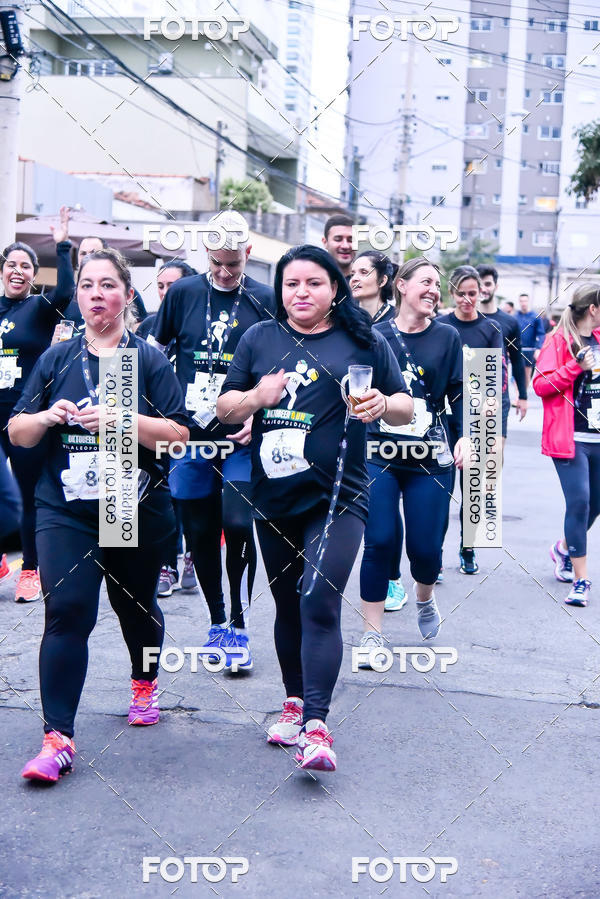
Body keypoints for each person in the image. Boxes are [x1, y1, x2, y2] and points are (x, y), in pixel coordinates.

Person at [217, 244, 412, 771]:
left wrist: (381, 405)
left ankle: (318, 727)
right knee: (286, 604)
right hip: (275, 495)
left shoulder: (363, 339)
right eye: (291, 284)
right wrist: (257, 396)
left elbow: (404, 405)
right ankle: (294, 700)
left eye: (314, 284)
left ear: (335, 289)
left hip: (338, 497)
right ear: (279, 290)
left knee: (318, 602)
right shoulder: (259, 339)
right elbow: (223, 407)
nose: (301, 293)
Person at [10, 248, 189, 783]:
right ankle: (57, 737)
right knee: (67, 609)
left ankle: (143, 680)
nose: (95, 295)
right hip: (63, 504)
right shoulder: (56, 357)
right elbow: (18, 431)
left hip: (127, 500)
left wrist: (121, 418)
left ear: (127, 296)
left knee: (132, 605)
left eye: (107, 286)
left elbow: (178, 437)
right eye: (86, 285)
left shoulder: (148, 359)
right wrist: (43, 416)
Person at [149, 210, 276, 671]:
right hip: (191, 435)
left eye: (233, 265)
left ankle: (240, 624)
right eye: (217, 263)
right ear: (206, 252)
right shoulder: (182, 293)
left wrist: (258, 411)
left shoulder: (266, 298)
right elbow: (157, 356)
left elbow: (281, 365)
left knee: (239, 524)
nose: (224, 272)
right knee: (200, 531)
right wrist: (163, 413)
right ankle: (218, 620)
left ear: (248, 254)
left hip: (243, 434)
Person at [358, 257, 464, 665]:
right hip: (378, 452)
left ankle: (424, 597)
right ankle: (372, 634)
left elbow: (460, 394)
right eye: (426, 282)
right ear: (401, 286)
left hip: (429, 457)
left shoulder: (448, 337)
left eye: (438, 285)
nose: (434, 290)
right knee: (380, 539)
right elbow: (356, 386)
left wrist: (468, 438)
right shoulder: (374, 334)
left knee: (425, 550)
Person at [0, 209, 75, 602]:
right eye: (11, 264)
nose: (18, 271)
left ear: (33, 274)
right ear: (2, 271)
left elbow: (65, 293)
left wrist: (62, 245)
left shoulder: (41, 308)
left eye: (25, 266)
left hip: (26, 413)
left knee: (29, 493)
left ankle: (29, 569)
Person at [533, 283, 600, 607]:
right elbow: (541, 384)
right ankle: (581, 580)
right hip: (571, 439)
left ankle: (563, 549)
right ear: (593, 309)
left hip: (599, 437)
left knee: (594, 505)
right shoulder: (558, 341)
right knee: (580, 502)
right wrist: (576, 367)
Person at [138, 260, 199, 596]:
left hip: (196, 427)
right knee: (165, 494)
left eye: (171, 286)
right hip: (155, 427)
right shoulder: (150, 326)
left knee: (187, 498)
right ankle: (166, 564)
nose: (165, 293)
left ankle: (192, 553)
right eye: (160, 286)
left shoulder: (201, 326)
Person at [350, 251, 405, 610]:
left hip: (400, 427)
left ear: (383, 280)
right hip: (359, 426)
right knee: (375, 509)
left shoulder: (395, 324)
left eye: (364, 272)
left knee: (390, 509)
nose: (355, 277)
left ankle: (395, 577)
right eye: (351, 272)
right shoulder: (348, 321)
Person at [439, 266, 503, 575]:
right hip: (442, 417)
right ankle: (432, 555)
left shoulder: (489, 329)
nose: (467, 299)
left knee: (473, 488)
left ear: (482, 294)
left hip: (476, 417)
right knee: (439, 488)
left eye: (473, 293)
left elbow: (493, 379)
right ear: (452, 293)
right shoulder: (439, 325)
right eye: (461, 293)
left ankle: (468, 549)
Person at [477, 264, 528, 449]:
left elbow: (517, 359)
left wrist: (522, 396)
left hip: (499, 396)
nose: (484, 288)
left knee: (493, 457)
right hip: (467, 397)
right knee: (469, 462)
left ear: (496, 287)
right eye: (480, 283)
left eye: (488, 283)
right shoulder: (463, 319)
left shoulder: (509, 322)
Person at [63, 236, 148, 329]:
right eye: (83, 253)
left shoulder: (123, 291)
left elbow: (139, 325)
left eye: (93, 253)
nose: (87, 257)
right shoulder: (66, 294)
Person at [515, 293, 546, 391]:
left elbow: (541, 334)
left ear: (528, 302)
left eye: (525, 301)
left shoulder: (535, 317)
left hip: (529, 350)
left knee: (526, 374)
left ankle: (523, 394)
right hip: (517, 349)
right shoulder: (515, 317)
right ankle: (517, 397)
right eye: (521, 301)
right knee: (517, 373)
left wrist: (538, 348)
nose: (523, 303)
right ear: (519, 302)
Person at [322, 213, 355, 279]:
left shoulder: (366, 282)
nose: (345, 246)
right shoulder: (315, 278)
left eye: (351, 240)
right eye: (338, 239)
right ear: (325, 242)